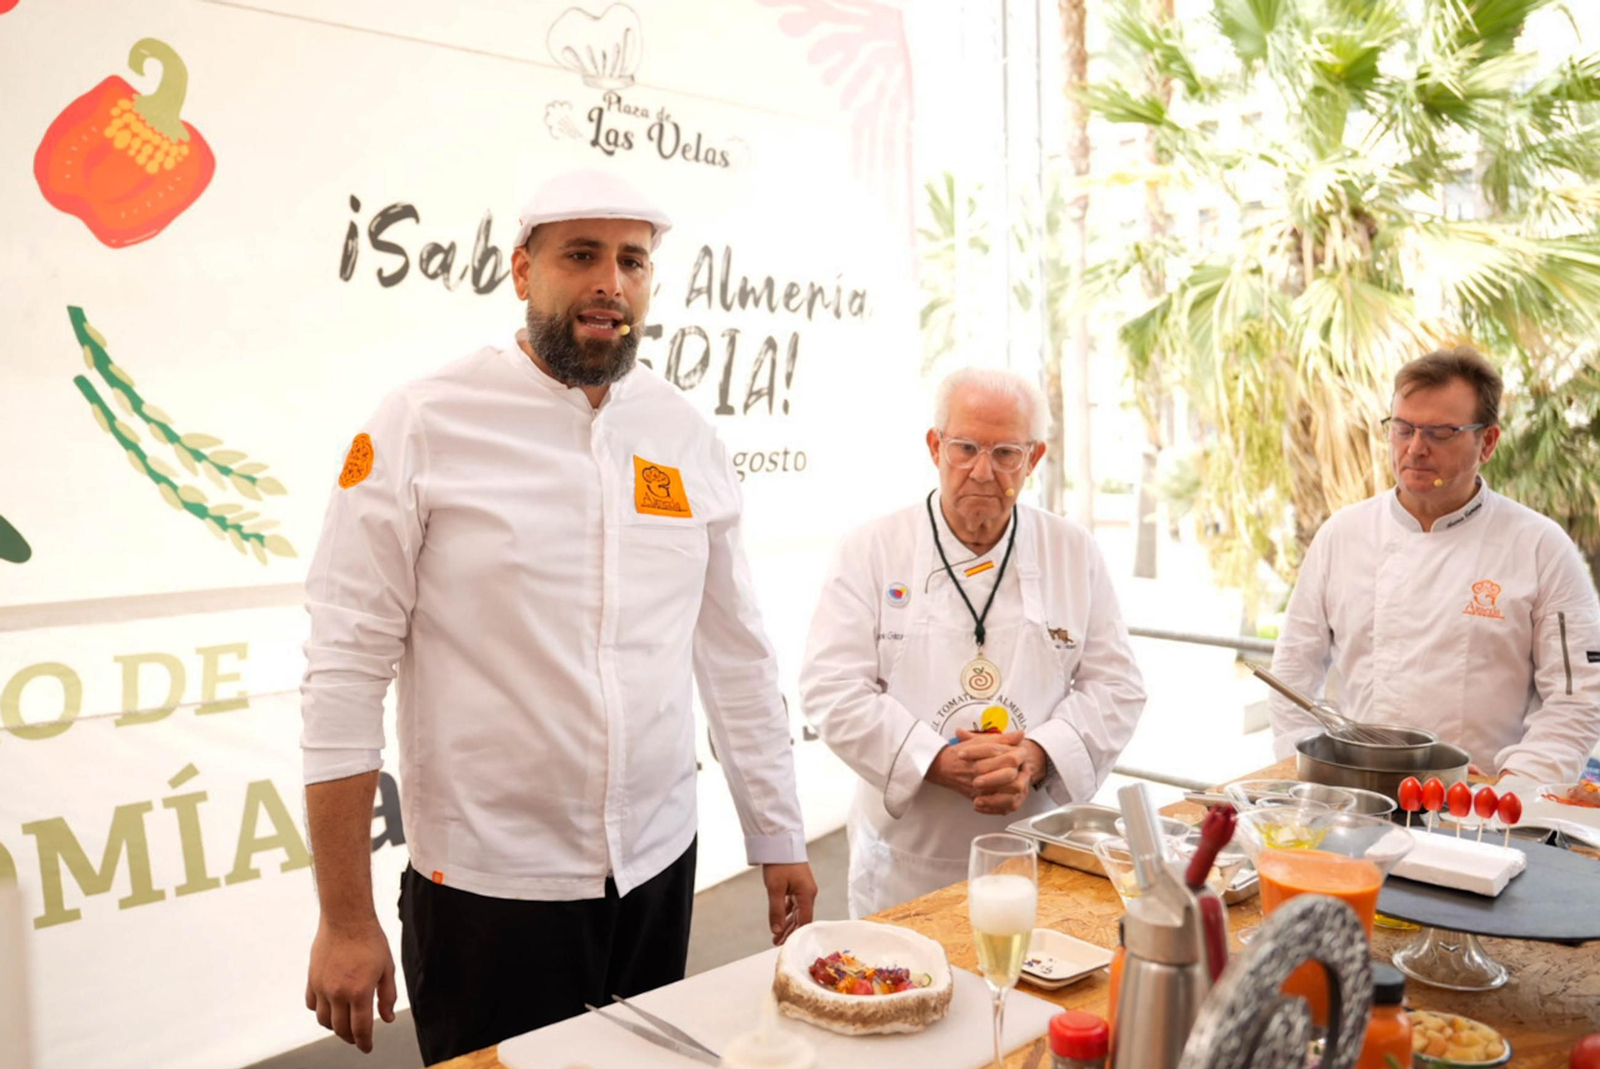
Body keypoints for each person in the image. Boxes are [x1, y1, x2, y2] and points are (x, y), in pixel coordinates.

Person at [298, 169, 817, 1063]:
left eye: (632, 261)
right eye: (581, 255)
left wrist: (778, 834)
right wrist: (343, 917)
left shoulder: (684, 432)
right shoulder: (423, 422)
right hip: (487, 890)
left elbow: (733, 655)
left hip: (657, 867)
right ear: (521, 270)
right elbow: (344, 670)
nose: (610, 282)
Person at [799, 367, 1147, 918]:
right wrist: (934, 760)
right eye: (965, 447)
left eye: (1006, 452)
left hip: (1033, 847)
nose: (983, 471)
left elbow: (1118, 685)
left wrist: (1035, 755)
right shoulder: (870, 548)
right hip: (906, 856)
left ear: (1033, 459)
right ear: (936, 446)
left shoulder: (1072, 551)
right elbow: (830, 688)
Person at [1269, 346, 1600, 783]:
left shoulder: (1540, 546)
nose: (1415, 448)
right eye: (1403, 428)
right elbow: (1292, 675)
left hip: (1483, 810)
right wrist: (1313, 770)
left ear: (1488, 442)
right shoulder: (1342, 535)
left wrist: (1518, 786)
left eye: (1441, 433)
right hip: (1358, 794)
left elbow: (1578, 698)